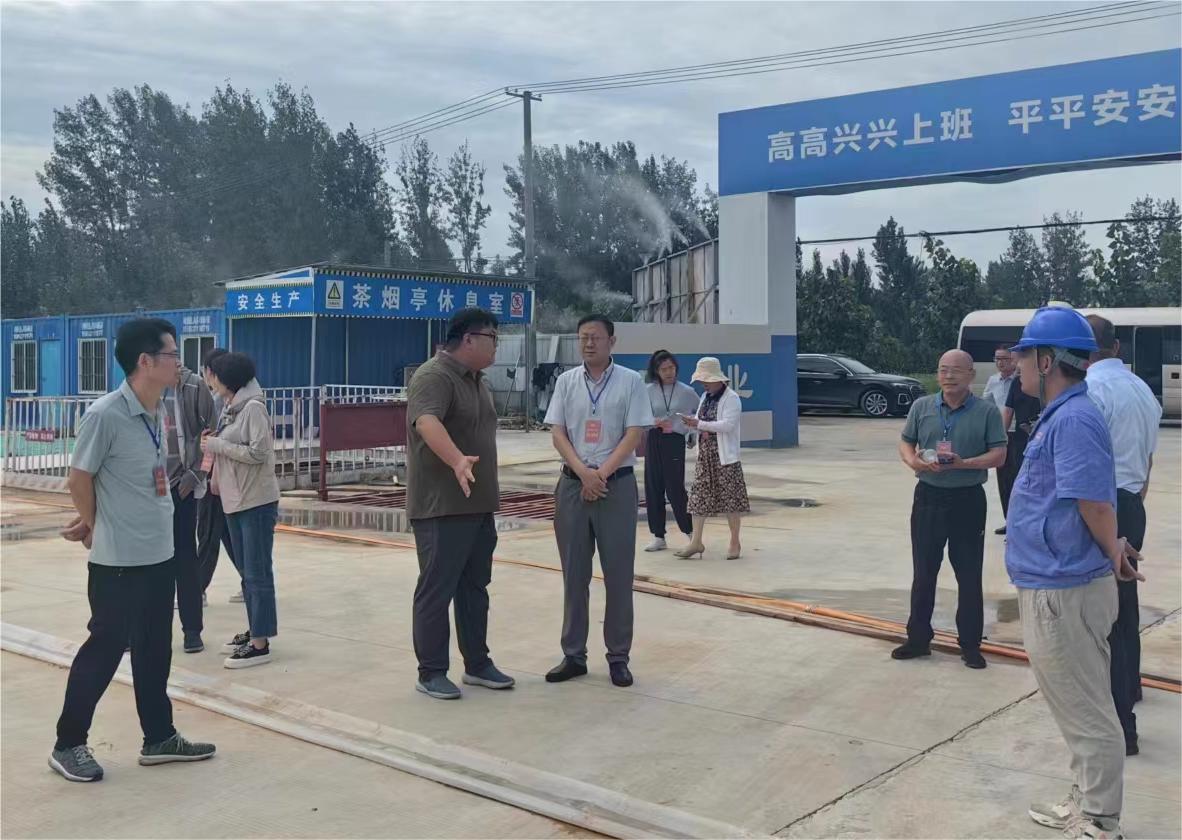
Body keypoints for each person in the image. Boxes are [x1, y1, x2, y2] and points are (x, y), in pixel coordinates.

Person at [51, 318, 216, 783]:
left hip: (158, 555)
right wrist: (95, 523)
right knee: (105, 650)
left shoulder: (157, 410)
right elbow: (79, 479)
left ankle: (159, 737)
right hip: (119, 562)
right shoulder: (105, 414)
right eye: (172, 354)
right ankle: (68, 743)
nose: (179, 362)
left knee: (155, 650)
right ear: (145, 361)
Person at [1006, 306, 1143, 840]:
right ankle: (1086, 799)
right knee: (1074, 705)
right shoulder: (1062, 414)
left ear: (1046, 361)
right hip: (1051, 580)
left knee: (1088, 710)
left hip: (1065, 589)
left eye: (1024, 356)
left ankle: (1101, 820)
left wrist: (1113, 551)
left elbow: (1093, 502)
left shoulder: (1074, 419)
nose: (1017, 365)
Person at [405, 308, 514, 700]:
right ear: (468, 339)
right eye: (492, 338)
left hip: (478, 504)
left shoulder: (478, 381)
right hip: (442, 506)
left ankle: (477, 664)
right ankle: (431, 671)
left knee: (474, 587)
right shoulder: (434, 376)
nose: (496, 345)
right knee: (437, 589)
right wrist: (456, 460)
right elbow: (426, 421)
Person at [544, 314, 653, 688]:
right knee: (574, 575)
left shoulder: (631, 381)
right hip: (573, 486)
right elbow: (558, 433)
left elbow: (634, 434)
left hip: (615, 487)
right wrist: (583, 473)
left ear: (612, 341)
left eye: (595, 337)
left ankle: (618, 657)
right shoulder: (566, 382)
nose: (588, 343)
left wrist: (601, 474)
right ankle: (573, 655)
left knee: (618, 576)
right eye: (583, 337)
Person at [893, 349, 1007, 669]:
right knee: (924, 571)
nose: (948, 375)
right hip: (928, 497)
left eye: (956, 370)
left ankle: (970, 644)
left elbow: (999, 455)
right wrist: (913, 461)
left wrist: (964, 463)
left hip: (967, 500)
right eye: (943, 369)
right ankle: (918, 639)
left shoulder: (986, 412)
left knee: (968, 574)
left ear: (971, 375)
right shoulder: (922, 407)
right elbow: (906, 441)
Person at [1086, 314, 1161, 757]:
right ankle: (1130, 686)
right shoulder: (1142, 391)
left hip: (1102, 505)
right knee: (1124, 606)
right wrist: (1132, 504)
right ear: (1116, 348)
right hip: (1131, 502)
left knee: (1101, 614)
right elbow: (1147, 461)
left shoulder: (1090, 391)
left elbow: (1086, 464)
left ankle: (1120, 726)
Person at [201, 352, 280, 669]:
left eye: (214, 375)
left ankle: (260, 644)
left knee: (257, 573)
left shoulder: (253, 409)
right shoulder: (230, 408)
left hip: (255, 501)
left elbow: (260, 452)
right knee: (248, 573)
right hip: (234, 499)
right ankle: (256, 630)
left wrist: (217, 445)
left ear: (227, 379)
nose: (211, 380)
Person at [676, 357, 749, 560]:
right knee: (698, 497)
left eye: (706, 379)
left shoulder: (731, 398)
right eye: (702, 380)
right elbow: (702, 422)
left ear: (718, 378)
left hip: (725, 457)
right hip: (705, 455)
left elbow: (727, 425)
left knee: (730, 499)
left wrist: (699, 424)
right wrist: (693, 424)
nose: (703, 384)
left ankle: (734, 541)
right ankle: (696, 541)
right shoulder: (705, 397)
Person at [166, 360, 215, 653]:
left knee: (185, 561)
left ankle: (192, 631)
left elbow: (212, 435)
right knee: (147, 565)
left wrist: (197, 474)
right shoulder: (142, 388)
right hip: (149, 490)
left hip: (181, 487)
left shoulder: (194, 387)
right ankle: (141, 633)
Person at [196, 348, 243, 605]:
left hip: (214, 477)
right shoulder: (232, 402)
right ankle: (251, 581)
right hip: (224, 477)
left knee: (207, 534)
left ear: (210, 373)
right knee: (227, 535)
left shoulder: (218, 402)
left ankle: (197, 589)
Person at [642, 350, 698, 553]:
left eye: (671, 368)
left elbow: (698, 414)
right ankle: (658, 535)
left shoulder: (687, 391)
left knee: (675, 488)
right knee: (653, 486)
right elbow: (640, 415)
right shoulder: (647, 391)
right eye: (664, 369)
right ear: (656, 371)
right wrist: (653, 421)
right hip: (654, 438)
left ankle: (691, 533)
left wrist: (690, 432)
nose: (668, 372)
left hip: (674, 440)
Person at [984, 345, 1019, 535]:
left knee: (1017, 479)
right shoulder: (993, 381)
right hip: (1000, 435)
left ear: (1013, 359)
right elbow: (986, 404)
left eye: (1005, 359)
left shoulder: (1021, 380)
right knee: (1003, 479)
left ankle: (1019, 522)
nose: (1000, 362)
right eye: (997, 358)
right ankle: (1009, 521)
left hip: (1019, 434)